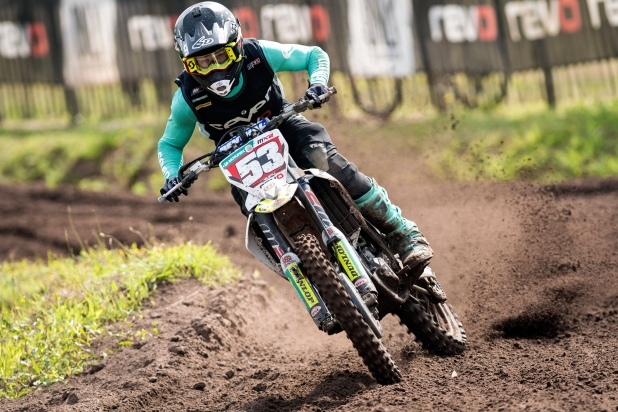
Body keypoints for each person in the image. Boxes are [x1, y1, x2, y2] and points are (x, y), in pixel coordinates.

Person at [158, 1, 433, 274]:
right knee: (256, 217)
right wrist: (172, 175)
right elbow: (170, 143)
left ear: (238, 46)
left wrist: (317, 83)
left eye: (222, 56)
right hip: (237, 158)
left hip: (285, 127)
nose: (215, 69)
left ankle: (404, 234)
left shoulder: (259, 55)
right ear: (187, 64)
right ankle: (313, 278)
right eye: (202, 63)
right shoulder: (187, 98)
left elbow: (314, 55)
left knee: (328, 162)